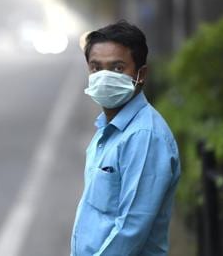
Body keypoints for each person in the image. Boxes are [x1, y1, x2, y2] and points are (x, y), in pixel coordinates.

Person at [71, 20, 181, 256]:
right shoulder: (107, 130)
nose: (104, 76)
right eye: (96, 68)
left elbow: (131, 229)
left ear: (141, 74)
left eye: (118, 68)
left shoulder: (145, 136)